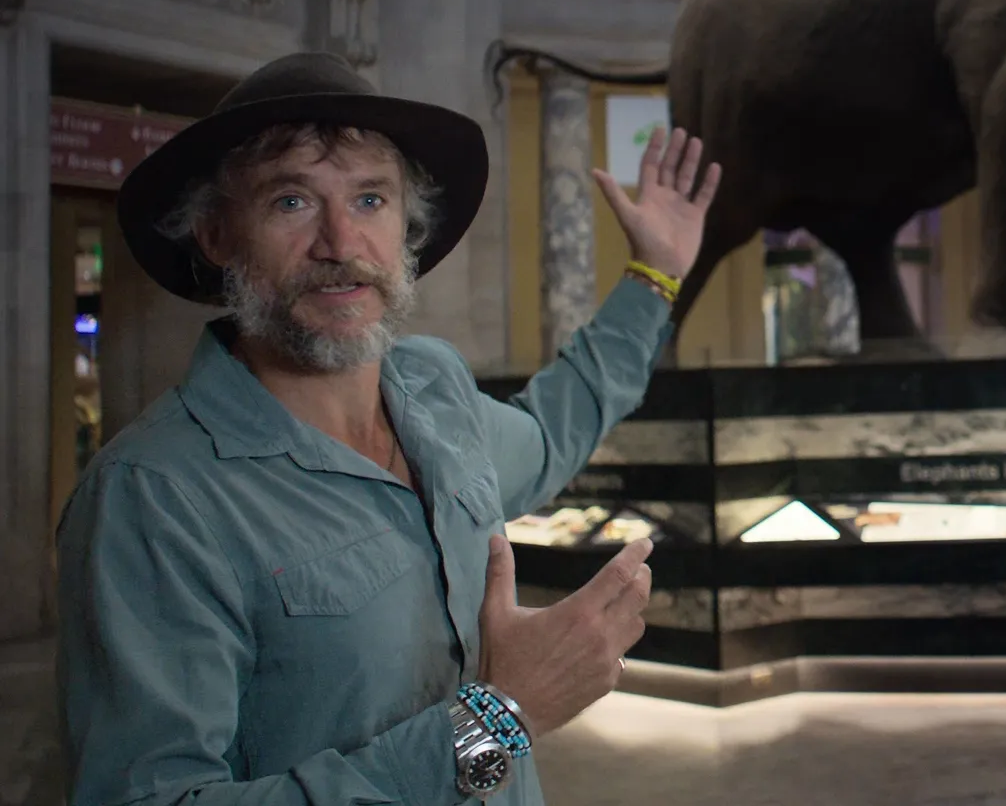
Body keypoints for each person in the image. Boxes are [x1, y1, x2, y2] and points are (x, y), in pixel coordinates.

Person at [55, 52, 720, 805]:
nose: (341, 244)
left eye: (371, 200)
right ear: (216, 234)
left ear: (407, 223)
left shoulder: (432, 385)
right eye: (291, 203)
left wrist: (655, 275)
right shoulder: (154, 498)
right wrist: (498, 719)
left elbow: (547, 435)